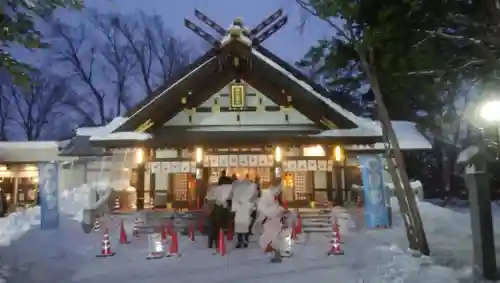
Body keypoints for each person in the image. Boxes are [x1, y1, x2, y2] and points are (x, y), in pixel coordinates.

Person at [255, 178, 285, 263]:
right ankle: (275, 252)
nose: (281, 188)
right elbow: (262, 207)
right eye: (281, 186)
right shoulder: (267, 194)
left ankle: (276, 254)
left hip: (275, 220)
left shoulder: (274, 195)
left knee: (272, 237)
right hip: (269, 219)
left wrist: (279, 210)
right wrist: (275, 211)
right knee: (267, 238)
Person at [206, 178, 233, 250]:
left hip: (217, 209)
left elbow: (209, 199)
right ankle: (218, 243)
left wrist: (209, 210)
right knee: (220, 227)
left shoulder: (215, 189)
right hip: (223, 209)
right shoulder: (229, 189)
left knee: (215, 227)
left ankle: (213, 243)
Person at [231, 178, 257, 248]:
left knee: (240, 227)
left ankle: (240, 242)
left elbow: (234, 202)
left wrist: (234, 210)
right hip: (245, 211)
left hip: (240, 212)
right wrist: (252, 208)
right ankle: (245, 241)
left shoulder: (237, 191)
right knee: (245, 227)